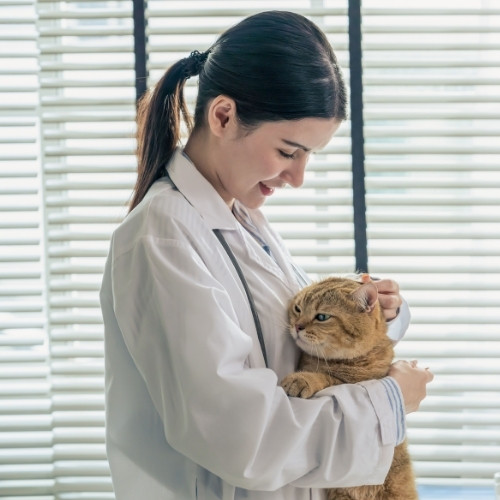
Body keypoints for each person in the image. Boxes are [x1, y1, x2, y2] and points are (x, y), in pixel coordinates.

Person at [99, 10, 433, 500]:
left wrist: (379, 314)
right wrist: (390, 400)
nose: (297, 177)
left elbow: (291, 348)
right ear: (223, 116)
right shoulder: (161, 237)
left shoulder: (242, 221)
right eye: (288, 151)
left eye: (308, 157)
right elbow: (245, 438)